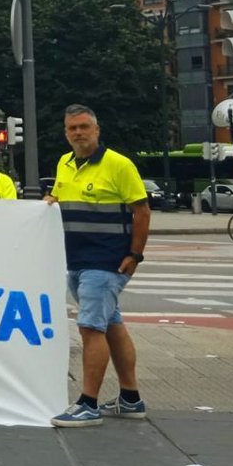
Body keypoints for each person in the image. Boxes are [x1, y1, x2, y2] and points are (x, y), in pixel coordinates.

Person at [47, 104, 150, 427]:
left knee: (91, 328)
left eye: (83, 127)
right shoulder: (64, 163)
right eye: (72, 129)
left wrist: (135, 255)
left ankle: (88, 403)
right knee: (112, 326)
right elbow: (58, 198)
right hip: (76, 259)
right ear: (66, 134)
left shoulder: (119, 165)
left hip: (105, 261)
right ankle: (130, 398)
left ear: (96, 129)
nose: (78, 133)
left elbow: (142, 210)